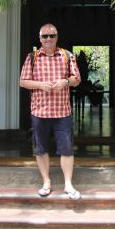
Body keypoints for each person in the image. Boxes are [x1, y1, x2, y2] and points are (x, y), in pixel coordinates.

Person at [19, 23, 82, 199]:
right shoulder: (32, 57)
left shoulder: (67, 55)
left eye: (51, 35)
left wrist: (65, 82)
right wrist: (40, 85)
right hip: (39, 112)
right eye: (44, 36)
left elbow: (77, 78)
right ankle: (46, 182)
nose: (48, 39)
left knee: (67, 149)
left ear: (57, 37)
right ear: (39, 38)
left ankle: (68, 184)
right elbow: (23, 81)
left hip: (62, 112)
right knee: (40, 148)